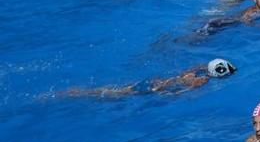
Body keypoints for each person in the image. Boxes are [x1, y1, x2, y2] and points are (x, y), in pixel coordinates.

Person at [58, 58, 236, 98]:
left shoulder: (196, 73)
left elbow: (196, 68)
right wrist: (166, 95)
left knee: (118, 90)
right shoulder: (202, 80)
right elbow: (182, 92)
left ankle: (78, 92)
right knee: (116, 95)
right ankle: (77, 93)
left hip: (156, 82)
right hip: (155, 89)